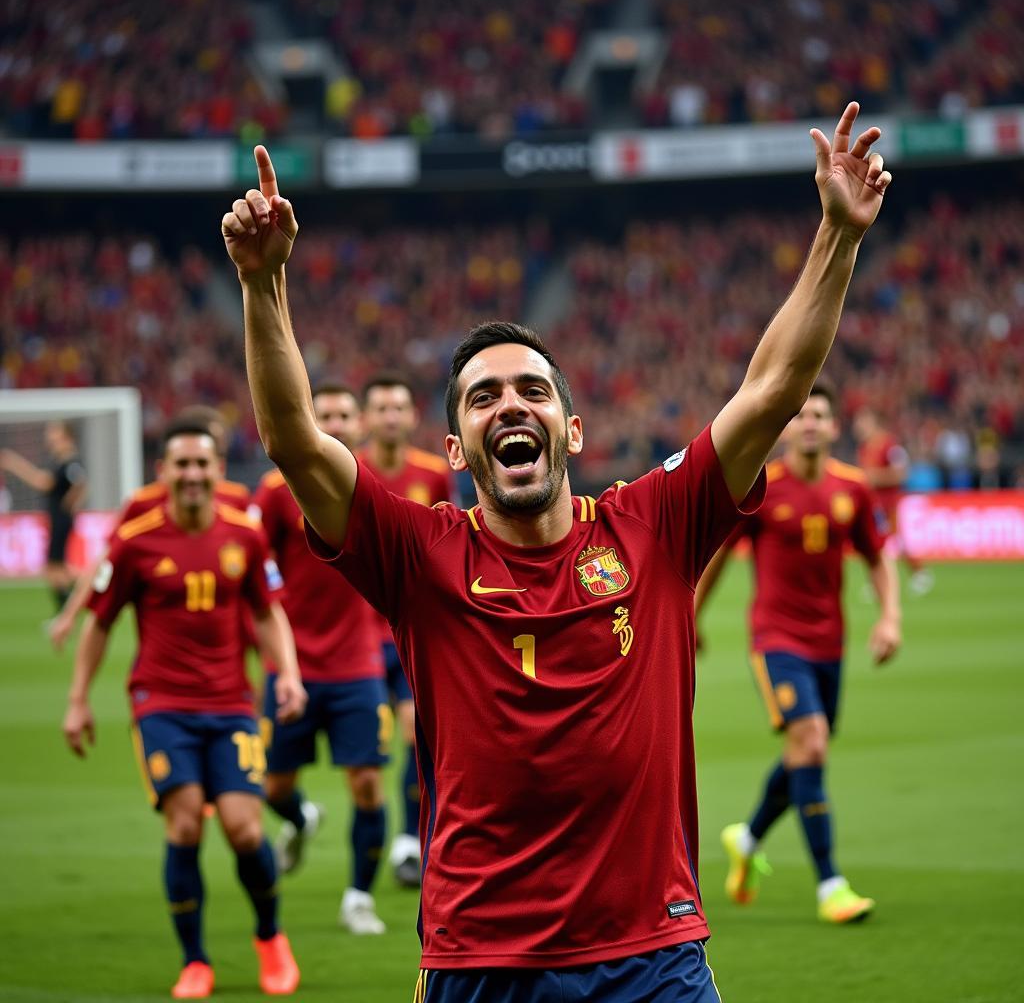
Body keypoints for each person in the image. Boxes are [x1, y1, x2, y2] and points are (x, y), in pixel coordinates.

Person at [222, 102, 892, 1000]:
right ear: (456, 449)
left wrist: (838, 240)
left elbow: (772, 389)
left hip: (654, 959)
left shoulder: (653, 525)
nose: (510, 405)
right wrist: (263, 285)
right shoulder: (418, 555)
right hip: (478, 964)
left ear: (570, 428)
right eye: (482, 396)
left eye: (531, 389)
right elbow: (295, 441)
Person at [62, 418, 306, 999]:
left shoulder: (243, 536)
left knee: (247, 831)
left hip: (230, 703)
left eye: (203, 464)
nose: (193, 474)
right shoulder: (135, 540)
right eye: (182, 464)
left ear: (219, 470)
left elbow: (269, 612)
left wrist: (289, 674)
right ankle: (195, 961)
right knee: (186, 821)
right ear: (163, 471)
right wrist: (77, 700)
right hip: (161, 703)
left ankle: (271, 938)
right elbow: (99, 623)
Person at [695, 384, 901, 924]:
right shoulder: (764, 488)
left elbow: (878, 558)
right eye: (801, 415)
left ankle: (748, 836)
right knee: (811, 743)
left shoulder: (853, 489)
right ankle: (831, 883)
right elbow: (717, 556)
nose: (810, 423)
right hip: (775, 639)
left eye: (821, 416)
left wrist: (890, 617)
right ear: (787, 428)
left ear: (835, 428)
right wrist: (688, 614)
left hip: (829, 642)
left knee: (803, 752)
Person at [252, 381, 392, 935]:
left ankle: (358, 896)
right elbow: (251, 578)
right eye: (323, 413)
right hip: (293, 668)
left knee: (367, 785)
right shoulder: (271, 491)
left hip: (358, 664)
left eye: (343, 413)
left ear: (359, 425)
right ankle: (302, 817)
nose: (333, 421)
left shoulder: (375, 490)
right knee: (274, 789)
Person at [358, 372, 457, 887]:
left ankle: (405, 840)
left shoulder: (433, 473)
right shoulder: (351, 474)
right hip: (356, 639)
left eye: (400, 407)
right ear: (365, 418)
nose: (392, 416)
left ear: (412, 416)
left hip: (412, 634)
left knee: (415, 737)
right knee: (370, 756)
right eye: (382, 407)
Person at [49, 406, 250, 650]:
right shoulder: (142, 503)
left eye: (217, 449)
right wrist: (70, 613)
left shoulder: (237, 499)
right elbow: (104, 560)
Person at [1, 420, 87, 612]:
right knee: (57, 567)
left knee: (54, 568)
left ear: (66, 437)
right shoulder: (61, 460)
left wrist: (15, 464)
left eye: (54, 434)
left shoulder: (69, 460)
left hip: (61, 519)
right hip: (59, 518)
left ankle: (75, 601)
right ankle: (76, 599)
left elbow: (48, 483)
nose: (50, 439)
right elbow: (80, 484)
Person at [853, 406, 933, 594]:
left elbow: (901, 473)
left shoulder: (890, 445)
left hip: (888, 504)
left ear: (873, 422)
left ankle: (919, 572)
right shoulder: (865, 448)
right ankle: (880, 580)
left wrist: (875, 477)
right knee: (876, 541)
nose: (859, 426)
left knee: (892, 540)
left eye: (862, 421)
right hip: (872, 504)